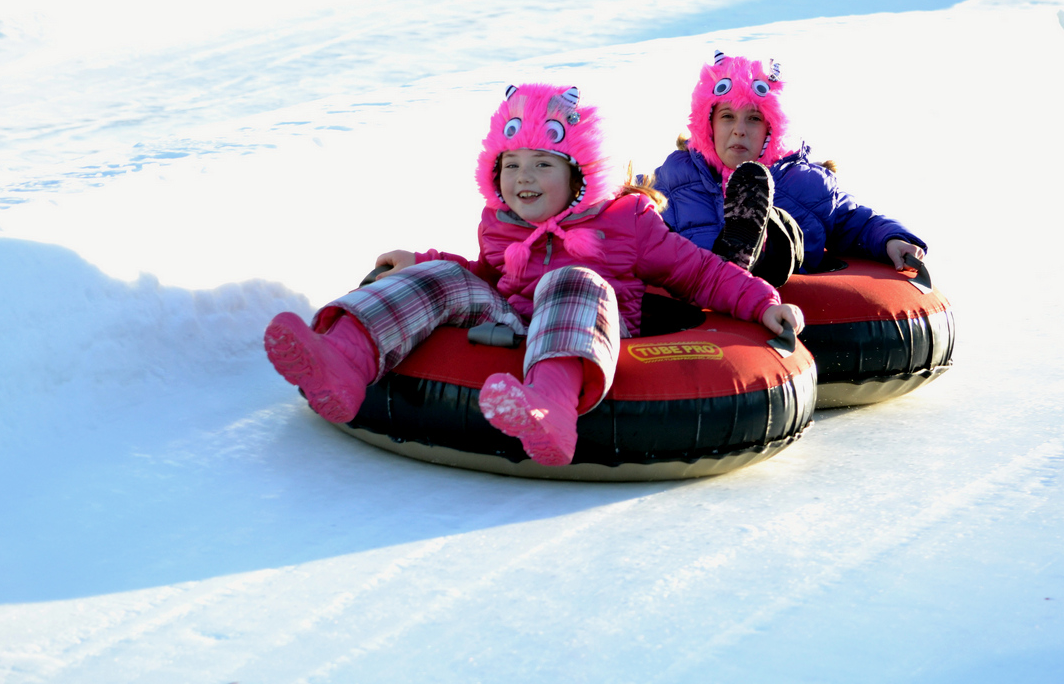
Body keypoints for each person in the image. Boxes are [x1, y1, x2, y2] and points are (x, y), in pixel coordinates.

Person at [263, 83, 804, 468]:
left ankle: (549, 406)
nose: (524, 178)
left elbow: (700, 273)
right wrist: (422, 260)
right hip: (510, 324)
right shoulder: (499, 224)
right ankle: (343, 359)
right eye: (512, 164)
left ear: (579, 177)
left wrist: (762, 302)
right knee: (443, 278)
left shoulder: (626, 222)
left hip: (590, 334)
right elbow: (482, 273)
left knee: (572, 281)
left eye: (544, 164)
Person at [649, 51, 927, 280]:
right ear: (708, 123)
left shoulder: (804, 183)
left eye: (754, 119)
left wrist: (892, 239)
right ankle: (731, 260)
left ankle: (757, 250)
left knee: (782, 226)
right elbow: (630, 209)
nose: (739, 130)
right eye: (727, 117)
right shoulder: (676, 177)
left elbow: (855, 222)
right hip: (703, 304)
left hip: (783, 302)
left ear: (773, 128)